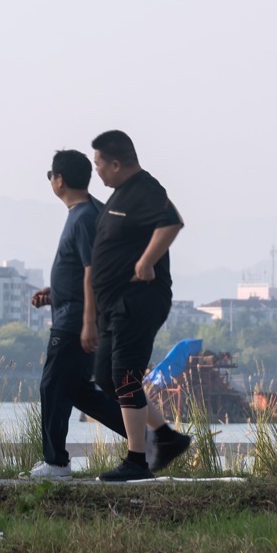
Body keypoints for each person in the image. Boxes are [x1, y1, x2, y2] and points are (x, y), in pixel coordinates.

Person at [84, 129, 191, 482]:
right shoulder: (119, 196)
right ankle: (166, 436)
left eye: (98, 163)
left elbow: (172, 222)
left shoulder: (145, 189)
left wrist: (147, 261)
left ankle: (136, 462)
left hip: (139, 299)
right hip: (114, 303)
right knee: (106, 376)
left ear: (116, 164)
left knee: (125, 376)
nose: (95, 170)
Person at [27, 149, 127, 478]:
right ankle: (147, 440)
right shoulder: (87, 212)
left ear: (60, 180)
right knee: (79, 391)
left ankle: (56, 463)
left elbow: (92, 271)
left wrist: (86, 323)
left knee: (52, 387)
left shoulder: (83, 216)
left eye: (51, 175)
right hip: (74, 313)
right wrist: (55, 294)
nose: (51, 181)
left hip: (75, 323)